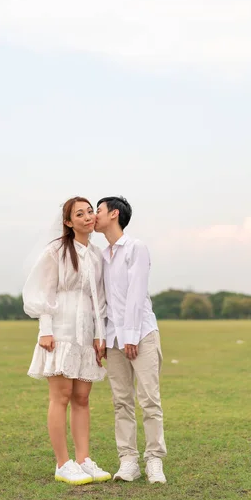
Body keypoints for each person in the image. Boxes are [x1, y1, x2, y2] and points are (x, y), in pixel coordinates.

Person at [23, 196, 111, 485]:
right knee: (60, 397)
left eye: (90, 212)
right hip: (60, 329)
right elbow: (43, 289)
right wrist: (45, 328)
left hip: (86, 333)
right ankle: (63, 463)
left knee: (82, 398)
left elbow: (98, 297)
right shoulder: (57, 250)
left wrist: (100, 335)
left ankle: (84, 459)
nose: (87, 217)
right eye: (80, 214)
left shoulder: (97, 255)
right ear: (68, 221)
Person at [95, 196, 167, 484]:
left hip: (141, 335)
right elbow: (101, 301)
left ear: (114, 214)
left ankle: (154, 460)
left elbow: (137, 294)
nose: (93, 216)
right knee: (121, 401)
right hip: (112, 339)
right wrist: (100, 336)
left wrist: (132, 335)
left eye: (97, 211)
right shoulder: (101, 256)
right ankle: (128, 461)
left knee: (149, 399)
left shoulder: (135, 248)